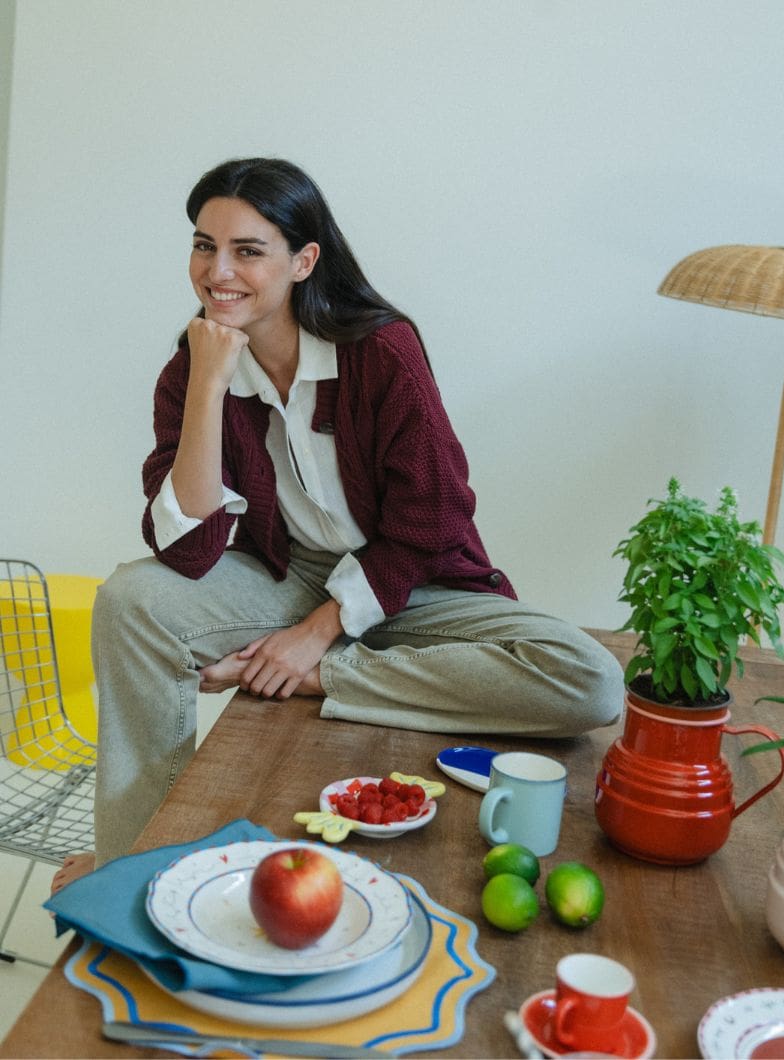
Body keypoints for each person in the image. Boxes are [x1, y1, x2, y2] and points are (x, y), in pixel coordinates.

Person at [52, 157, 622, 891]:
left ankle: (328, 679)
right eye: (203, 245)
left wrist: (314, 643)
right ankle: (130, 864)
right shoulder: (192, 368)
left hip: (415, 584)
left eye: (247, 250)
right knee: (131, 601)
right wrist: (208, 385)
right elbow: (188, 552)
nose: (216, 270)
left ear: (304, 260)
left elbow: (434, 516)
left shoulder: (380, 352)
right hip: (292, 573)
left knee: (591, 682)